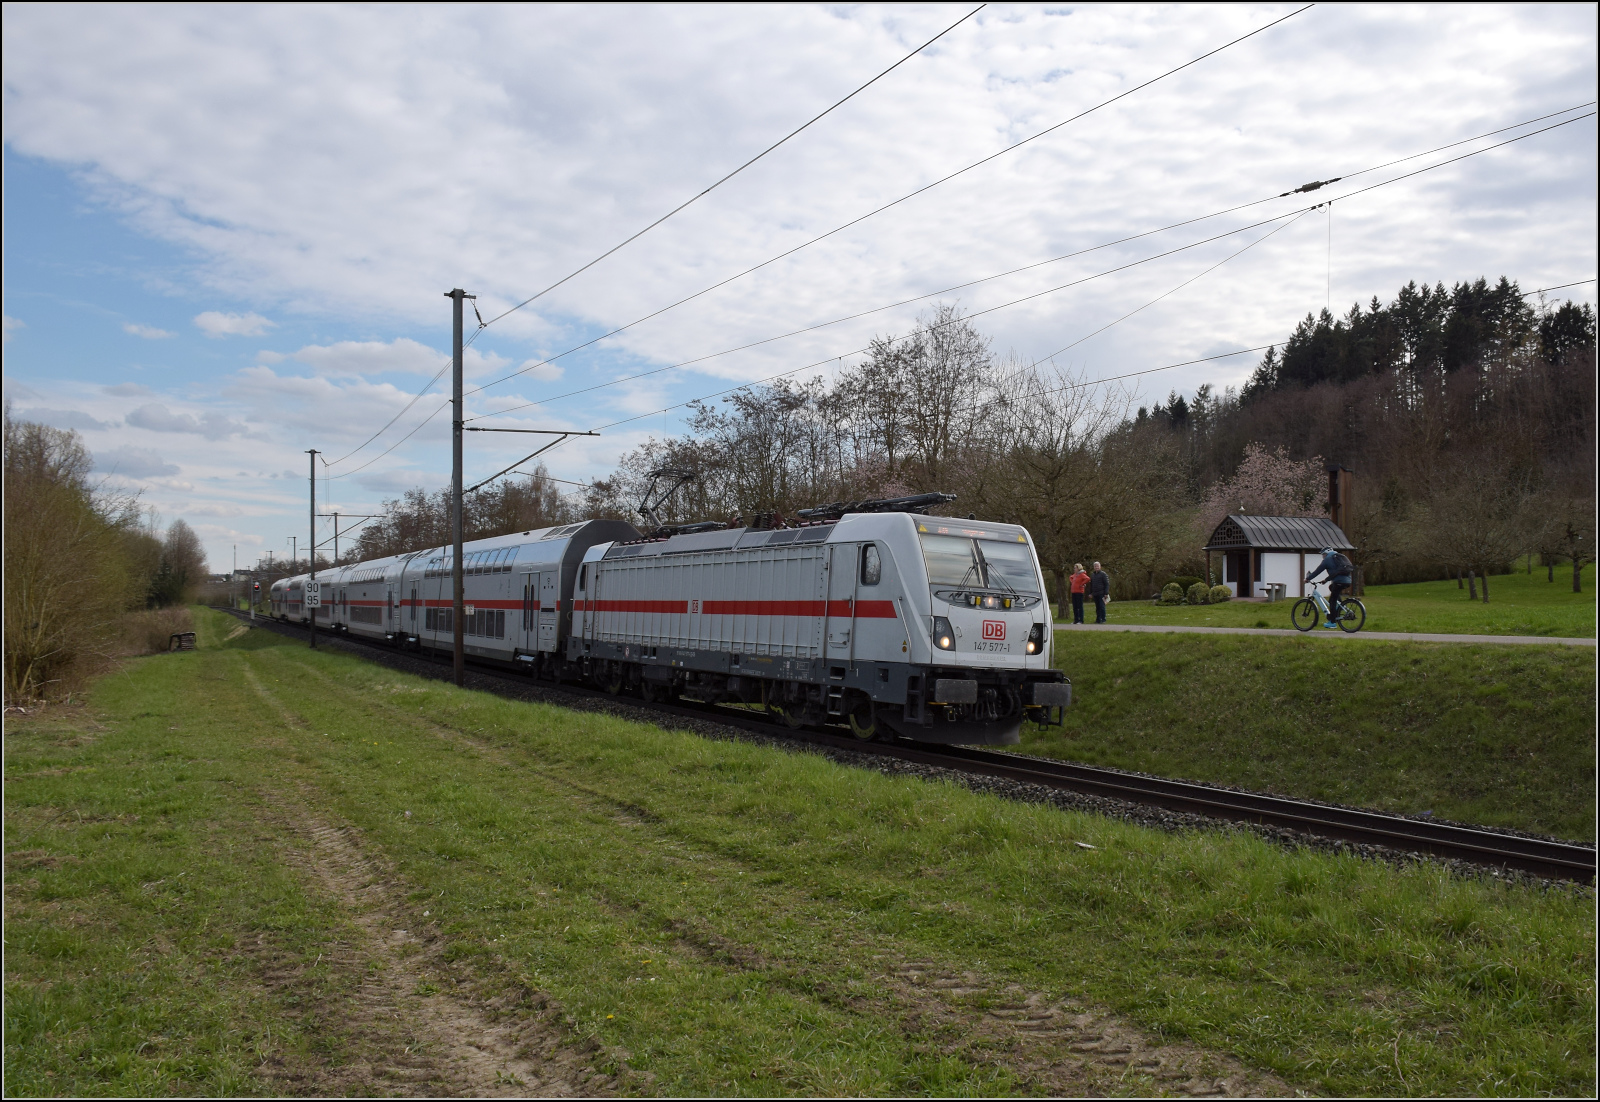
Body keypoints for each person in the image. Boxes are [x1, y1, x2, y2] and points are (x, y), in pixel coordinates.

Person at [1305, 546, 1354, 628]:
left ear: (1326, 553)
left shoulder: (1327, 559)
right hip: (1348, 581)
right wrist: (1326, 580)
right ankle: (1340, 606)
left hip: (1338, 581)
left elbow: (1318, 571)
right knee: (1332, 588)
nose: (1322, 557)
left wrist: (1307, 579)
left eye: (1323, 555)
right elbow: (1337, 572)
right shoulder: (1340, 556)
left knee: (1332, 601)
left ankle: (1332, 622)